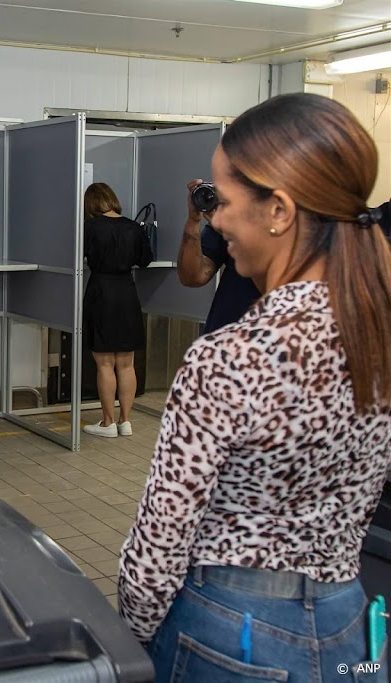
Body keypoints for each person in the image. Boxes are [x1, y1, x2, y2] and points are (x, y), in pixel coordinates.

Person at [118, 93, 391, 680]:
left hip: (229, 633)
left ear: (279, 211)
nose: (215, 219)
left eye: (226, 201)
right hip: (351, 625)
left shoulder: (230, 358)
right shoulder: (378, 334)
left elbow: (160, 543)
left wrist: (132, 639)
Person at [81, 183, 154, 438]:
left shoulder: (88, 227)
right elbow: (145, 260)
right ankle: (125, 421)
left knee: (104, 363)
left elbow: (75, 256)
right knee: (126, 363)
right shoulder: (133, 227)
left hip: (100, 292)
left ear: (90, 203)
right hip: (126, 292)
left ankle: (107, 422)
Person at [178, 179, 261, 333]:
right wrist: (193, 220)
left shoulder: (306, 223)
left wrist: (233, 235)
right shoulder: (235, 219)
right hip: (224, 336)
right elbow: (192, 277)